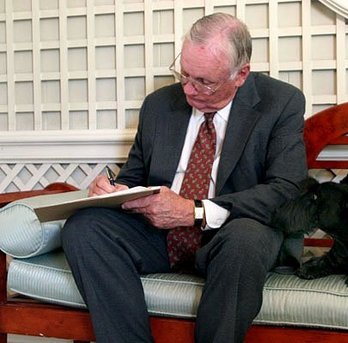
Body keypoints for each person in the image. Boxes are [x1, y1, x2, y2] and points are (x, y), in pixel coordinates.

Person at [61, 12, 307, 343]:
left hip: (231, 234)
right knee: (85, 227)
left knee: (245, 239)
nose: (188, 89)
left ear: (241, 75)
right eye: (184, 74)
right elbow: (134, 176)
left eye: (204, 81)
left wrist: (194, 210)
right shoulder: (159, 105)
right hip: (159, 235)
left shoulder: (280, 103)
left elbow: (287, 190)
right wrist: (113, 190)